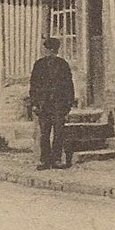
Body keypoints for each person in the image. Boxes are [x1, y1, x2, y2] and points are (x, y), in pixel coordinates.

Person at [28, 37, 76, 170]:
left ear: (56, 50)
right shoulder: (39, 65)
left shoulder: (63, 64)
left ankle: (56, 159)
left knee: (59, 132)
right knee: (44, 133)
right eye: (48, 49)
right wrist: (34, 103)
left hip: (59, 104)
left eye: (53, 50)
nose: (50, 52)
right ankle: (44, 160)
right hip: (43, 104)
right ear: (46, 50)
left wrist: (69, 103)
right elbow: (33, 85)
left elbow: (69, 85)